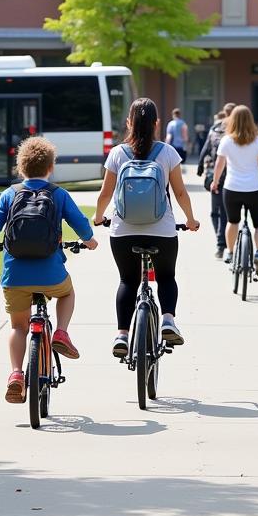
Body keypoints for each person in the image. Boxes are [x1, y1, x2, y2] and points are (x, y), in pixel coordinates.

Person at [0, 136, 97, 403]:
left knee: (18, 326)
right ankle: (61, 332)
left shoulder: (10, 194)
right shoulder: (59, 195)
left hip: (15, 276)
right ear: (51, 167)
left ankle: (16, 374)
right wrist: (89, 240)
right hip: (51, 275)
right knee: (67, 293)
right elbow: (81, 224)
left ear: (20, 168)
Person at [95, 97, 200, 357]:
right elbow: (180, 193)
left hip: (123, 231)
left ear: (129, 123)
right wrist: (190, 220)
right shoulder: (167, 152)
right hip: (161, 230)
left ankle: (121, 335)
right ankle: (167, 319)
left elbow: (105, 194)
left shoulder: (118, 153)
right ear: (156, 123)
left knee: (127, 281)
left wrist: (98, 218)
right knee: (166, 277)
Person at [212, 104, 258, 276]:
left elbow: (219, 164)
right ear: (250, 121)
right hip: (254, 189)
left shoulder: (226, 140)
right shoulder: (257, 141)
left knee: (232, 222)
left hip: (232, 188)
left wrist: (215, 182)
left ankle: (230, 253)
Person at [196, 102, 235, 258]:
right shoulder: (236, 131)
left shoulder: (215, 129)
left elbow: (205, 149)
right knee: (226, 212)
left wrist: (200, 167)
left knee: (215, 212)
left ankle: (220, 243)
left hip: (215, 175)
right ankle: (223, 243)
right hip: (231, 175)